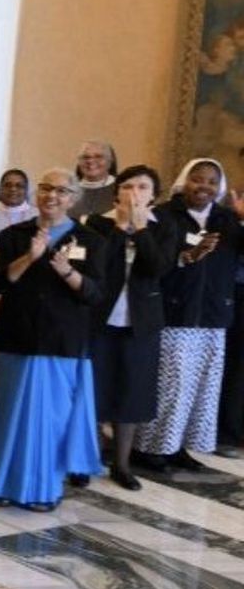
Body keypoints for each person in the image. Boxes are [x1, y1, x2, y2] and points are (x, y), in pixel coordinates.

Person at [0, 168, 106, 510]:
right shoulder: (14, 235)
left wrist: (66, 272)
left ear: (73, 198)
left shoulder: (91, 240)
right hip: (16, 336)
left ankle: (44, 489)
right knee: (8, 415)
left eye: (62, 191)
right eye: (47, 188)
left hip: (62, 342)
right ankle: (0, 483)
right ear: (37, 194)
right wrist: (30, 257)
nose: (53, 196)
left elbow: (95, 294)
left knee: (51, 420)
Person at [132, 158, 240, 472]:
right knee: (171, 387)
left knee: (202, 389)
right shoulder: (165, 215)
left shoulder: (227, 219)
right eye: (197, 179)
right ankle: (150, 448)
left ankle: (177, 446)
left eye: (210, 181)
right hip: (173, 315)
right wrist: (186, 258)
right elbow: (151, 264)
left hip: (212, 316)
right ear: (184, 181)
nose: (203, 187)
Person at [84, 166, 176, 489]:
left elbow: (159, 268)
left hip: (141, 322)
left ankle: (121, 465)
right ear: (117, 192)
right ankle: (87, 459)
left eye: (143, 186)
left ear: (154, 195)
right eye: (128, 186)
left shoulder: (164, 227)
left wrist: (140, 231)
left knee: (131, 393)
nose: (135, 192)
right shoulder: (97, 223)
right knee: (93, 390)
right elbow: (98, 267)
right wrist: (121, 229)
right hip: (100, 320)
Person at [0, 168, 37, 244]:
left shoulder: (37, 216)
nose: (13, 189)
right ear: (0, 188)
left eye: (19, 186)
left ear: (26, 189)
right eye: (8, 185)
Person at [68, 139, 118, 219]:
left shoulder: (121, 189)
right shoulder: (69, 191)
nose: (90, 161)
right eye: (85, 157)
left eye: (98, 157)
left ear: (110, 161)